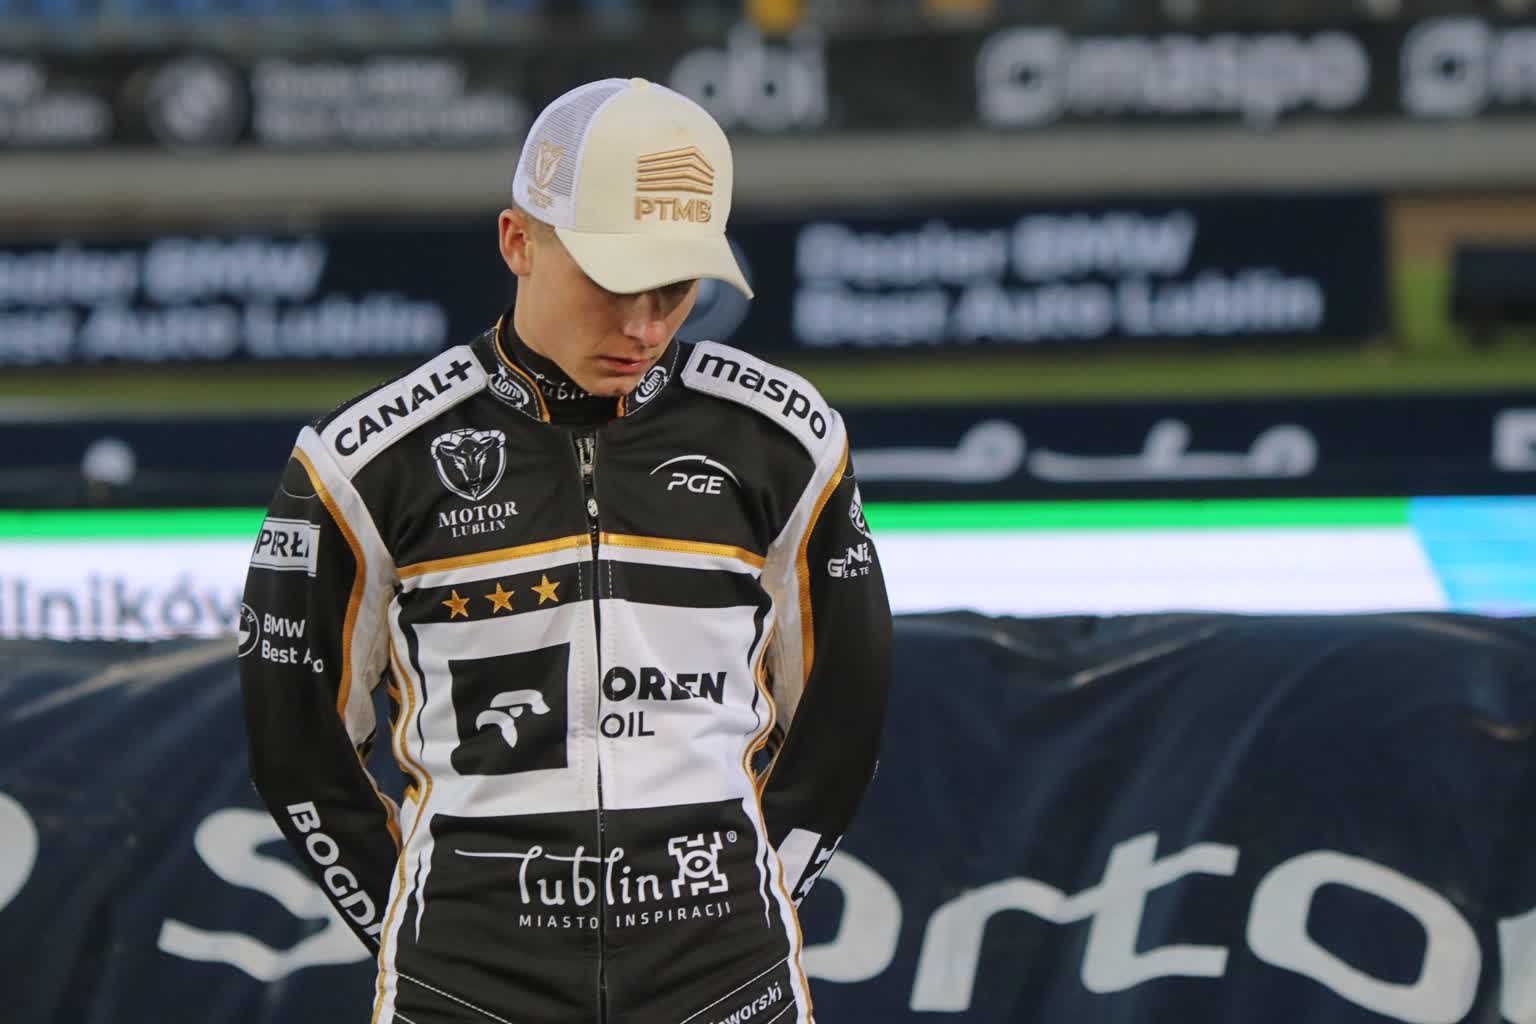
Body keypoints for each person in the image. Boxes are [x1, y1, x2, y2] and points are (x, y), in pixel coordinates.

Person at [238, 77, 891, 1024]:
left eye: (676, 287)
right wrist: (413, 926)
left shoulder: (785, 440)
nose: (645, 325)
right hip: (462, 988)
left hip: (727, 980)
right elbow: (297, 750)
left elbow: (842, 721)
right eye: (614, 282)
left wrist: (759, 898)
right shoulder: (363, 461)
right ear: (519, 241)